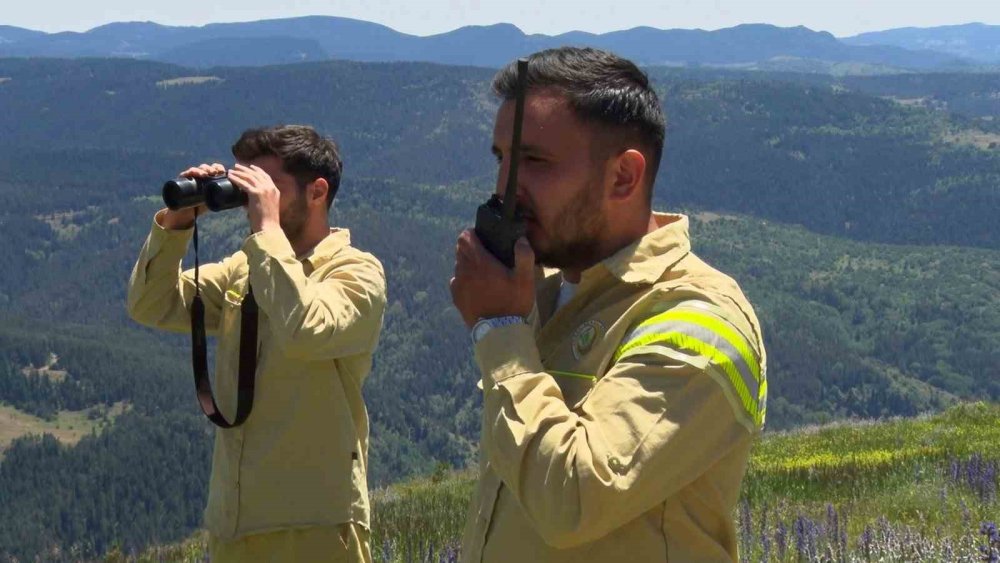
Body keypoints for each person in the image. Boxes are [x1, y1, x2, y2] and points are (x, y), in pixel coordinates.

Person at [450, 47, 767, 562]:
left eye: (534, 161)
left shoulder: (700, 320)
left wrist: (499, 328)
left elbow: (572, 498)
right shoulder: (542, 293)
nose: (503, 189)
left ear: (623, 176)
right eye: (501, 159)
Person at [127, 125, 386, 562]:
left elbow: (306, 328)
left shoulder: (357, 273)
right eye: (246, 183)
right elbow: (151, 304)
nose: (251, 197)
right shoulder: (245, 270)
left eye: (266, 186)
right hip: (234, 526)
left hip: (316, 528)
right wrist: (177, 223)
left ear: (317, 191)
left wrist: (267, 232)